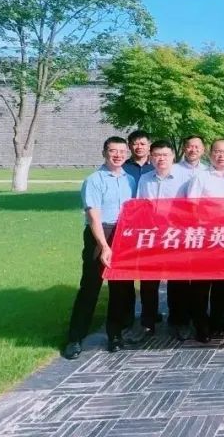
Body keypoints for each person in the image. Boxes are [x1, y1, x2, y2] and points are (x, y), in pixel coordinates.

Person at [62, 137, 138, 359]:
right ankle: (75, 339)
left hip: (123, 234)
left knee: (120, 288)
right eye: (113, 151)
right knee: (91, 286)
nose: (118, 155)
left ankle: (114, 335)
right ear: (104, 153)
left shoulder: (130, 180)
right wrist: (104, 246)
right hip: (100, 233)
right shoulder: (94, 180)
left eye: (122, 151)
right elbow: (93, 216)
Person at [186, 139, 224, 339]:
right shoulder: (200, 177)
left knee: (222, 283)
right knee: (201, 285)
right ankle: (201, 324)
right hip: (205, 238)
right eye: (217, 152)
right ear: (210, 154)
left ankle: (218, 319)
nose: (221, 156)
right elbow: (191, 206)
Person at [130, 140, 188, 337]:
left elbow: (190, 208)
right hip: (151, 236)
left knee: (178, 282)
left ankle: (178, 321)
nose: (161, 159)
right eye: (156, 155)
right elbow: (139, 206)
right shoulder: (145, 179)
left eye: (165, 155)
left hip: (175, 236)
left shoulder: (184, 179)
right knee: (148, 282)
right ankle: (148, 322)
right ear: (151, 157)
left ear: (173, 156)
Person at [167, 135, 209, 340]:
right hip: (177, 230)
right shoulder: (173, 170)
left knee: (201, 278)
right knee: (179, 278)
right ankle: (179, 320)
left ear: (203, 149)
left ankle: (200, 318)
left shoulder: (208, 171)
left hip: (202, 232)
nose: (193, 149)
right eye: (189, 146)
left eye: (197, 146)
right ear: (184, 148)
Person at [121, 130, 157, 333]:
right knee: (126, 274)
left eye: (143, 143)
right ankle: (126, 316)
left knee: (150, 276)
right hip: (127, 228)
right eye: (135, 143)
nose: (139, 147)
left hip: (151, 228)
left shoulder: (156, 167)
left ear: (149, 145)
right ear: (130, 146)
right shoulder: (122, 168)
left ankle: (149, 316)